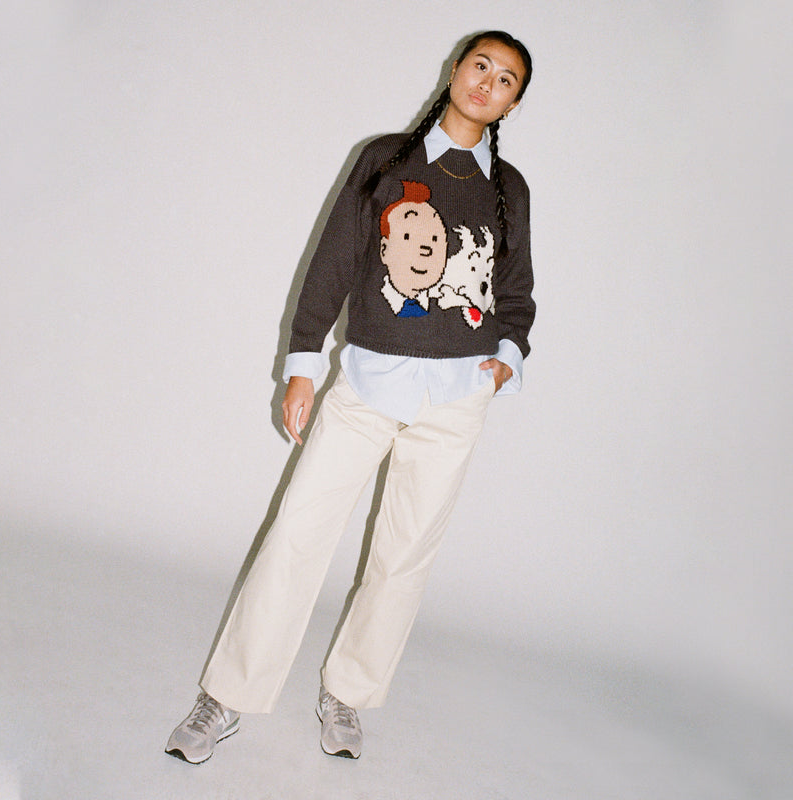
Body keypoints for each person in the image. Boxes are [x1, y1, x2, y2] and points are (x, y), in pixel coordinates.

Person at [166, 29, 535, 763]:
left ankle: (347, 694)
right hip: (367, 388)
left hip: (456, 400)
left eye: (505, 80)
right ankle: (228, 695)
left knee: (404, 558)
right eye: (480, 65)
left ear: (512, 104)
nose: (486, 83)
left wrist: (505, 358)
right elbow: (335, 260)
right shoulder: (384, 160)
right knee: (297, 534)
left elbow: (516, 288)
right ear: (454, 70)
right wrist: (303, 363)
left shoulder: (509, 188)